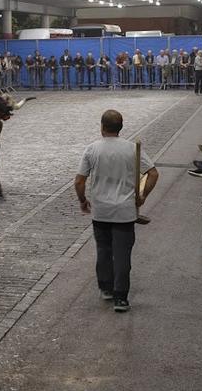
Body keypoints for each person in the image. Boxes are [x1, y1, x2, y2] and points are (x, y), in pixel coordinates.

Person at [75, 109, 158, 311]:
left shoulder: (92, 149)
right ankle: (121, 297)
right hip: (125, 211)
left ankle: (106, 288)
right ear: (121, 127)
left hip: (101, 210)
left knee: (103, 250)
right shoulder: (132, 149)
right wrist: (143, 195)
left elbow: (79, 181)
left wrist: (83, 200)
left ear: (102, 127)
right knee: (122, 254)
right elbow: (153, 173)